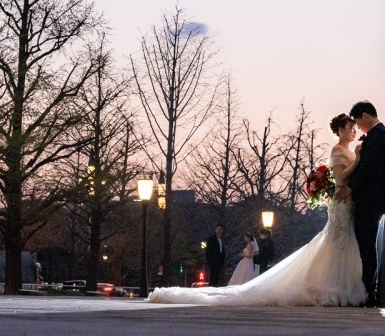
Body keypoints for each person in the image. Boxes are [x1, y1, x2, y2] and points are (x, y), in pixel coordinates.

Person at [147, 113, 366, 306]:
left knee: (338, 244)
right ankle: (336, 289)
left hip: (347, 204)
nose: (354, 131)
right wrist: (358, 159)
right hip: (341, 205)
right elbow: (340, 178)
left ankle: (335, 285)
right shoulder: (338, 150)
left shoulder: (347, 151)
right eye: (350, 127)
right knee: (338, 242)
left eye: (354, 128)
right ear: (340, 130)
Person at [346, 100, 385, 307]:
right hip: (369, 200)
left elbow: (369, 168)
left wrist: (350, 186)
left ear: (365, 116)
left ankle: (368, 290)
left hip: (371, 200)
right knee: (365, 244)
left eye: (358, 122)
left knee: (367, 244)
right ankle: (365, 288)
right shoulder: (376, 135)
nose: (358, 127)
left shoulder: (379, 135)